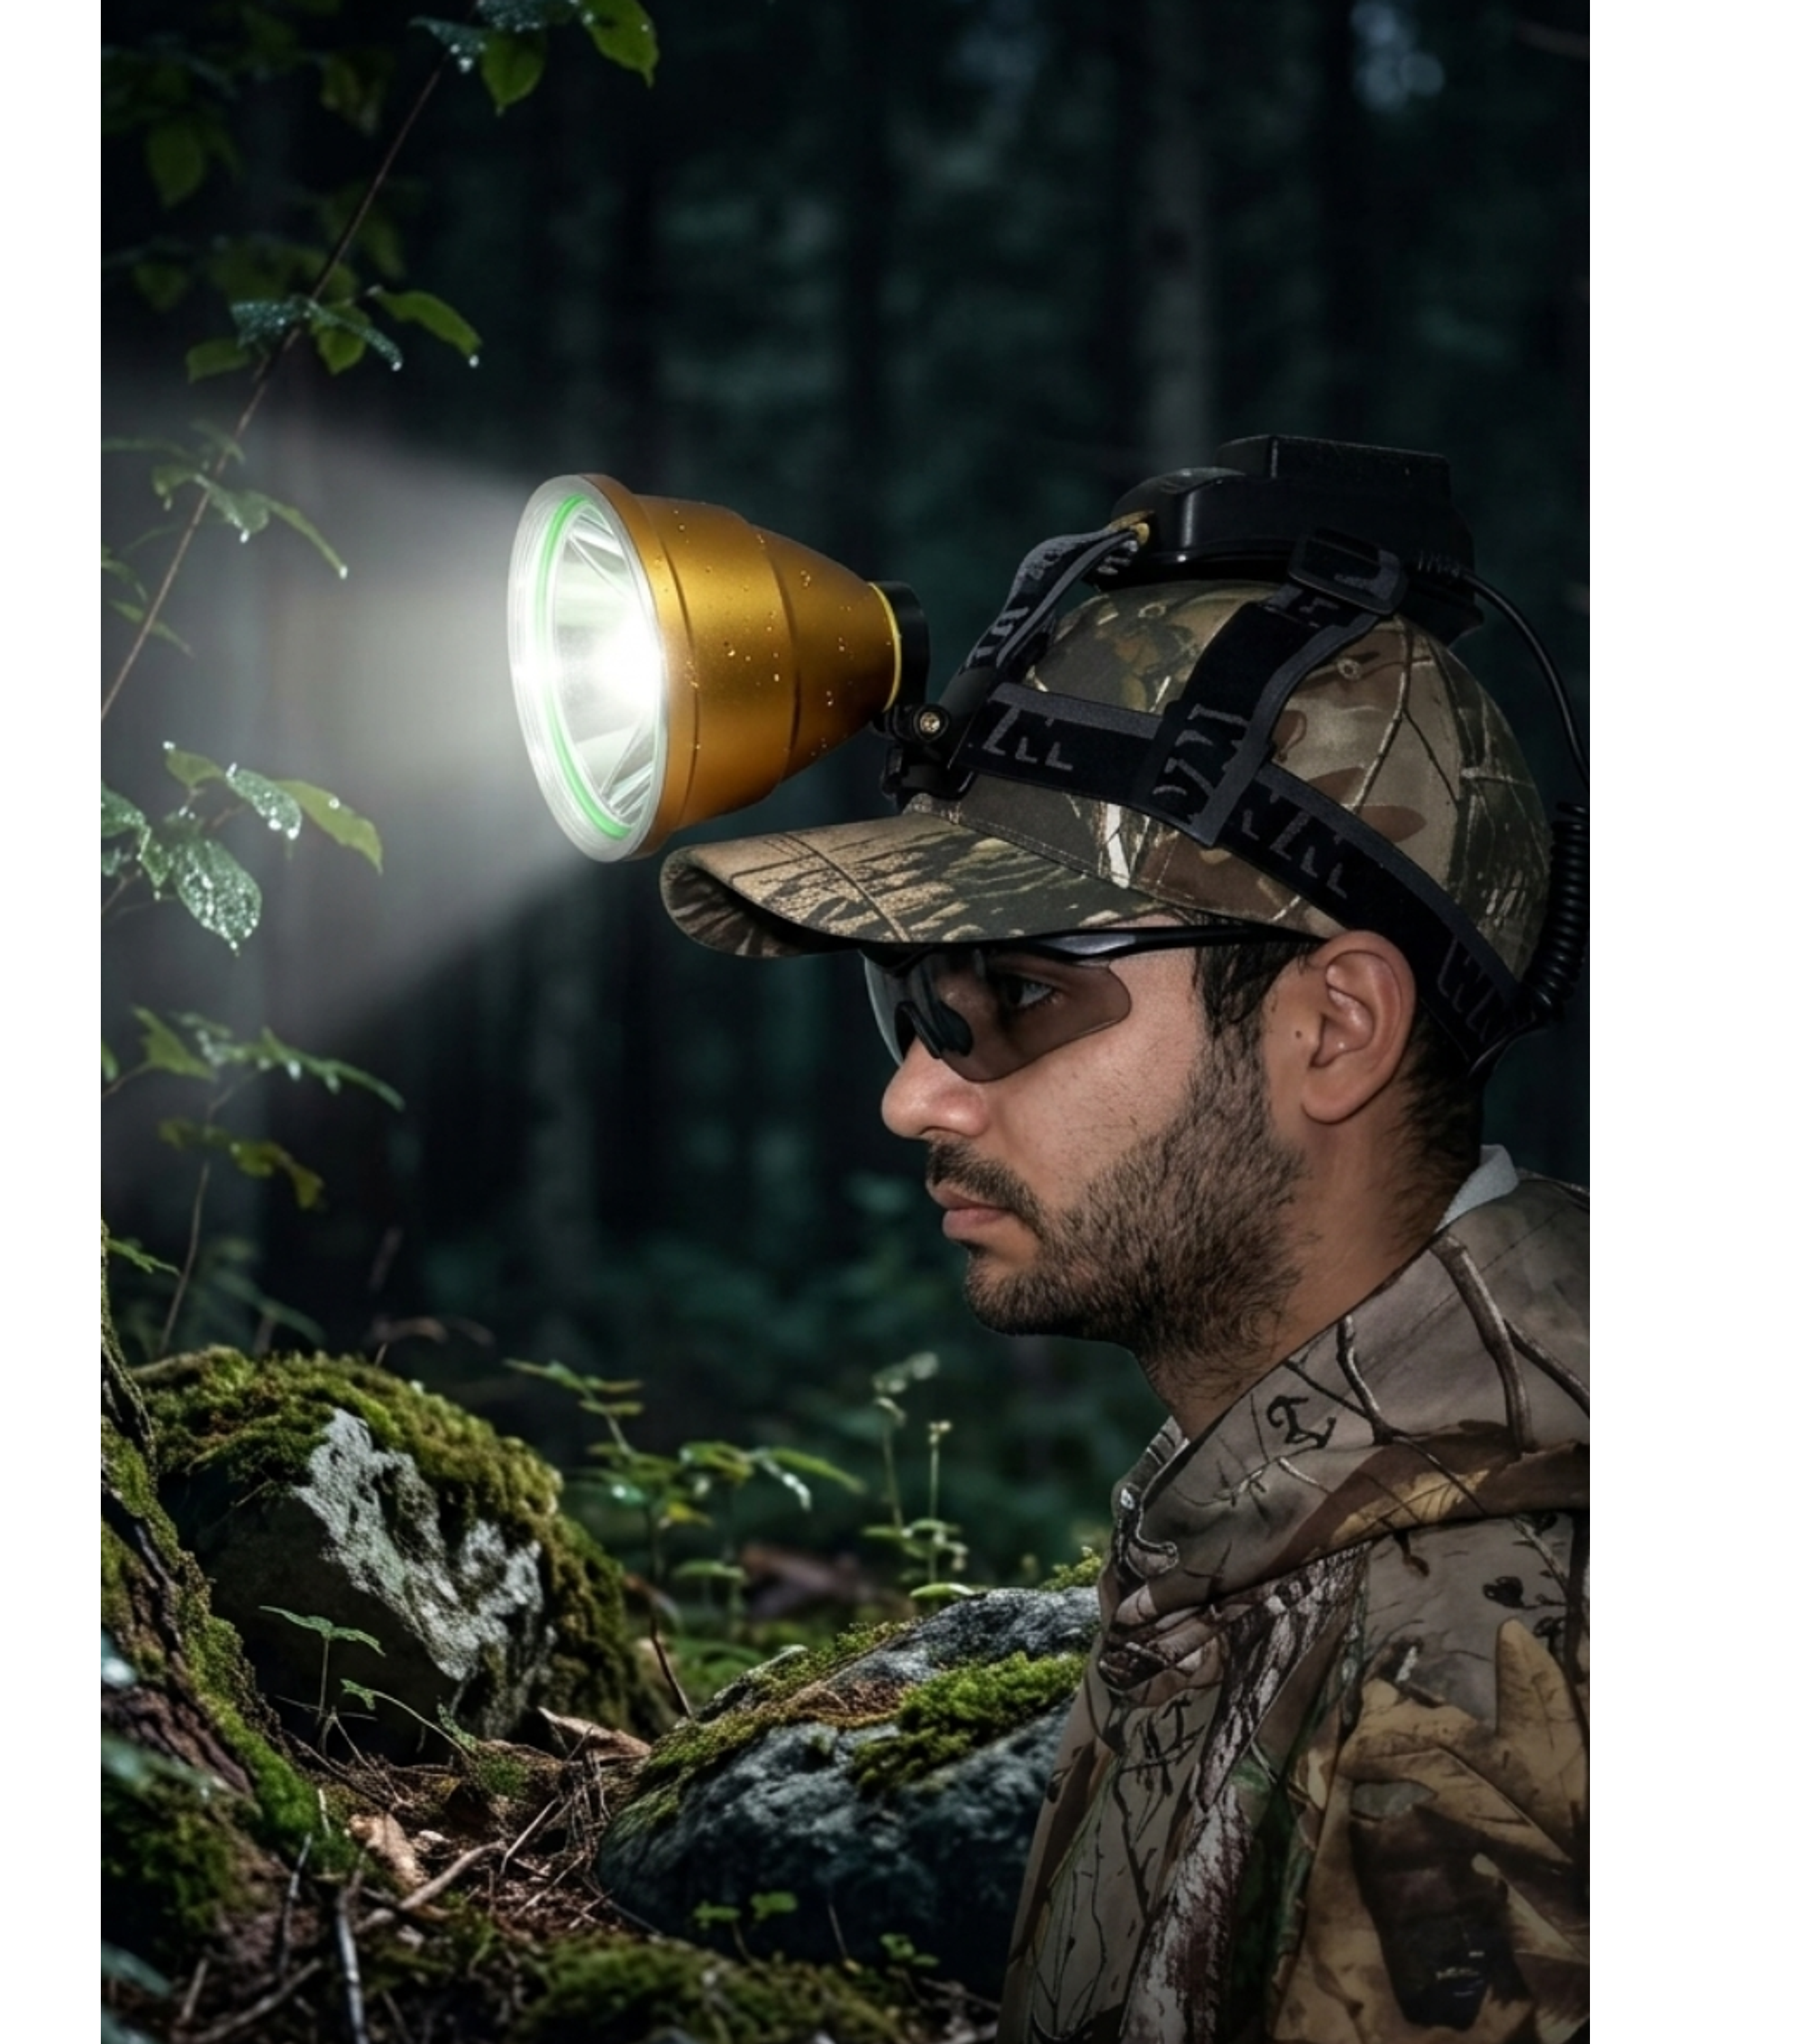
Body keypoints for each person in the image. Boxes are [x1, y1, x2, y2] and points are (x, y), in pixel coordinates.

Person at [656, 514, 1589, 2041]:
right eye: (920, 1001)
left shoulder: (1477, 1677)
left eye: (1020, 994)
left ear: (1335, 1030)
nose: (914, 1097)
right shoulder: (1285, 1510)